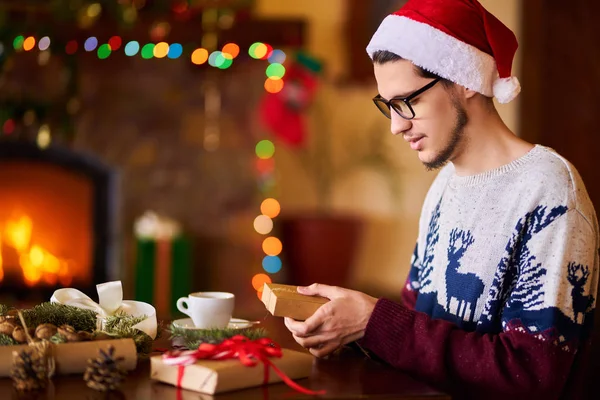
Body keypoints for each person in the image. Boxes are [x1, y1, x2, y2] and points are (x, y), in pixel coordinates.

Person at [283, 0, 600, 399]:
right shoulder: (444, 186)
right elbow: (422, 333)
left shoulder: (549, 189)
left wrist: (374, 321)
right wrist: (348, 332)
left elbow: (532, 375)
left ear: (463, 77)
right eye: (388, 107)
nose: (397, 126)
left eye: (407, 102)